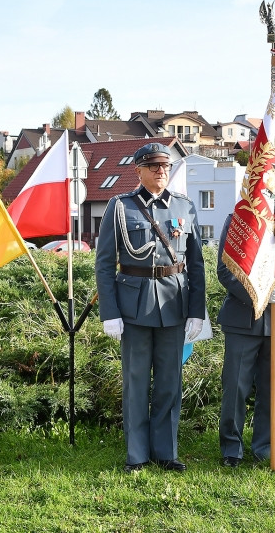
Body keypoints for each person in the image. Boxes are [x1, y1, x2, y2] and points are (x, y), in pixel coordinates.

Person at [95, 142, 206, 473]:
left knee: (170, 381)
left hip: (174, 303)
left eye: (165, 166)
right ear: (138, 170)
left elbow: (196, 264)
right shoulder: (119, 208)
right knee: (136, 382)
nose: (161, 171)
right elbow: (104, 265)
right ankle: (137, 454)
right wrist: (110, 313)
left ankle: (165, 451)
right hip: (134, 306)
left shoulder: (184, 208)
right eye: (154, 166)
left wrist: (196, 311)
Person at [216, 213, 275, 468]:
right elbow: (225, 270)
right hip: (242, 317)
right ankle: (231, 448)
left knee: (272, 389)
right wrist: (259, 294)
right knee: (235, 387)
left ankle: (265, 447)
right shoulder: (239, 218)